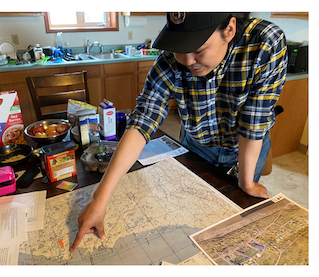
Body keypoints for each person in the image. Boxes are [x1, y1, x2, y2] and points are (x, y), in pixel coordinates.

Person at [70, 12, 287, 252]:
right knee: (193, 221)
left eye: (199, 49)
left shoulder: (265, 42)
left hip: (245, 149)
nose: (187, 60)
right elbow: (143, 120)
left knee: (230, 230)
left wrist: (247, 182)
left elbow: (253, 121)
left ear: (229, 29)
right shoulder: (172, 60)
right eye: (180, 48)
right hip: (196, 145)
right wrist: (100, 198)